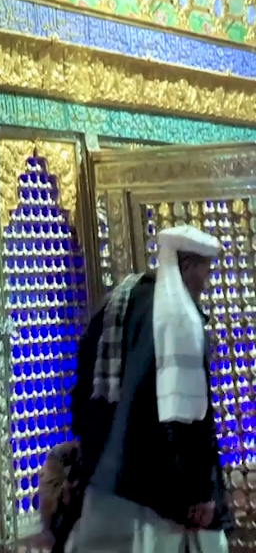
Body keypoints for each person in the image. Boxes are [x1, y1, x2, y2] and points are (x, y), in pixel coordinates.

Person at [67, 224, 231, 552]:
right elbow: (186, 415)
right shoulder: (180, 318)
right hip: (163, 489)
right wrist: (200, 492)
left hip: (110, 478)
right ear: (187, 266)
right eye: (204, 272)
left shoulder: (119, 299)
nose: (205, 282)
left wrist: (93, 450)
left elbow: (83, 388)